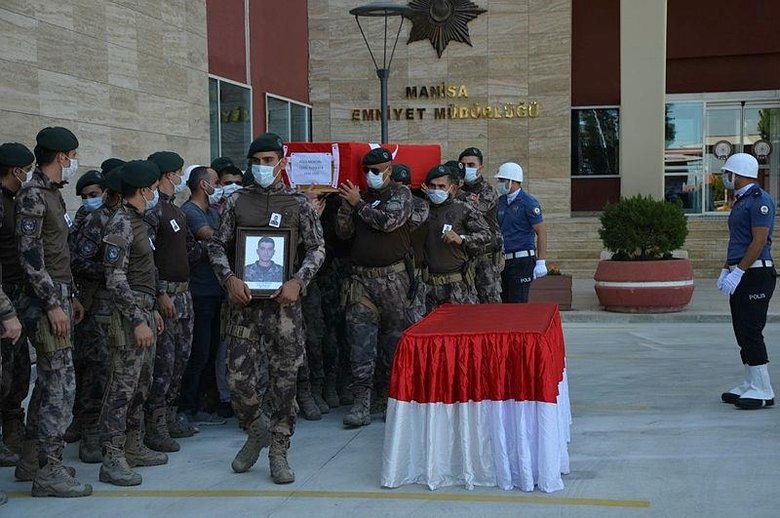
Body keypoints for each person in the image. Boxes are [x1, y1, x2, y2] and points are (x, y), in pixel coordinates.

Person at [206, 132, 325, 484]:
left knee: (284, 381)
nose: (262, 167)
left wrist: (298, 281)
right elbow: (216, 245)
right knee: (238, 380)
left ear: (282, 163)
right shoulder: (236, 202)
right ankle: (256, 428)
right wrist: (228, 278)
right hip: (243, 306)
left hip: (284, 308)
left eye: (268, 161)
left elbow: (317, 249)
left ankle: (278, 448)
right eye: (256, 162)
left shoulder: (298, 204)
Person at [14, 127, 91, 497]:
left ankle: (31, 460)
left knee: (49, 383)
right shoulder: (33, 196)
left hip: (59, 295)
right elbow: (30, 259)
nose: (74, 162)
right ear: (62, 156)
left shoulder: (51, 195)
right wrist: (52, 304)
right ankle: (49, 470)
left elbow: (58, 256)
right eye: (73, 155)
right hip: (45, 301)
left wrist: (70, 296)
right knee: (61, 385)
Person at [98, 160, 167, 486]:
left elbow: (143, 274)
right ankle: (112, 457)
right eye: (152, 188)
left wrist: (151, 310)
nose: (154, 193)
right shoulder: (121, 224)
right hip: (128, 319)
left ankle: (133, 445)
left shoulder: (138, 222)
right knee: (121, 390)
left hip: (143, 311)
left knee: (141, 385)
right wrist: (138, 319)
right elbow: (115, 278)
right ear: (142, 190)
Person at [335, 147, 413, 428]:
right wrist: (346, 206)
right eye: (367, 171)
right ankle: (361, 403)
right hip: (361, 281)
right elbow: (343, 233)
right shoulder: (361, 197)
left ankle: (391, 397)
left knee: (393, 343)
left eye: (376, 171)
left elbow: (388, 222)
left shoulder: (401, 195)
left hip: (393, 281)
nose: (371, 176)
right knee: (361, 342)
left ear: (389, 170)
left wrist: (357, 205)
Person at [143, 151, 206, 452]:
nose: (181, 179)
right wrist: (159, 294)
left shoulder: (176, 212)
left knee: (180, 360)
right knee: (164, 365)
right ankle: (155, 425)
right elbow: (146, 260)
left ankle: (169, 416)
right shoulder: (152, 213)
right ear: (168, 175)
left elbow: (192, 251)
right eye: (178, 173)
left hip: (184, 294)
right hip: (166, 295)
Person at [69, 168, 123, 464]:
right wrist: (111, 274)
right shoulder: (95, 220)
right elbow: (78, 260)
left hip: (117, 306)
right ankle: (89, 431)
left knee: (113, 371)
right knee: (95, 370)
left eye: (95, 193)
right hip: (96, 307)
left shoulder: (124, 217)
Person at [716, 153, 777, 410]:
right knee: (742, 331)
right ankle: (750, 382)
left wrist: (739, 271)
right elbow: (738, 242)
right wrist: (726, 269)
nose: (725, 178)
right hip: (742, 271)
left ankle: (763, 389)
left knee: (751, 330)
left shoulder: (759, 201)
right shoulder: (740, 202)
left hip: (755, 274)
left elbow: (759, 241)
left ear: (738, 174)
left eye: (728, 173)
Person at [179, 166, 232, 420]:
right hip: (199, 292)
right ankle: (187, 407)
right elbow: (210, 236)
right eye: (216, 182)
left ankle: (205, 402)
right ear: (203, 185)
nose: (219, 186)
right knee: (198, 352)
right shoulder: (190, 212)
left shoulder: (212, 210)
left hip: (215, 290)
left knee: (211, 351)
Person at [423, 165, 491, 313]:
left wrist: (461, 239)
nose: (436, 190)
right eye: (432, 186)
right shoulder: (422, 210)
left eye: (441, 186)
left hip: (456, 285)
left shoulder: (463, 209)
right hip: (428, 286)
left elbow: (486, 234)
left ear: (452, 189)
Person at [0, 143, 30, 474]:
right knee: (4, 373)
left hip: (18, 295)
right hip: (4, 296)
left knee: (18, 371)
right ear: (15, 170)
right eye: (27, 168)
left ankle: (11, 430)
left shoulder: (16, 202)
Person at [495, 162, 548, 303]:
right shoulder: (500, 202)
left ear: (512, 181)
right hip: (503, 261)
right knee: (504, 301)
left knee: (518, 302)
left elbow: (541, 231)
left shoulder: (528, 203)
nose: (499, 184)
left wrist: (541, 261)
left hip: (522, 261)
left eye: (502, 180)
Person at [458, 147, 504, 303]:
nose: (467, 169)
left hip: (487, 257)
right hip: (465, 256)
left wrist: (459, 195)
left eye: (471, 165)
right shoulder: (457, 189)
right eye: (463, 165)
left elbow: (478, 209)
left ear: (481, 168)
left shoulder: (488, 189)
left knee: (489, 302)